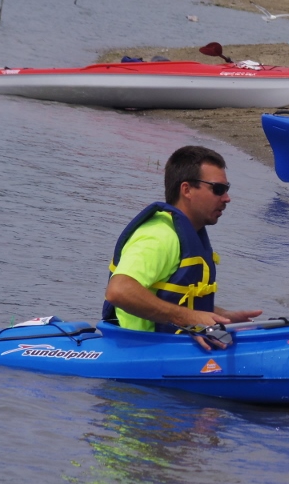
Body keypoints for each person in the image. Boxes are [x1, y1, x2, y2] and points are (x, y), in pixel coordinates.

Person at [102, 145, 263, 348]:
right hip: (139, 349)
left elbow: (174, 298)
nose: (226, 198)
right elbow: (119, 291)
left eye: (226, 189)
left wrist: (222, 317)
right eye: (218, 189)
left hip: (168, 346)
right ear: (186, 190)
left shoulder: (184, 233)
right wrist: (188, 318)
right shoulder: (158, 236)